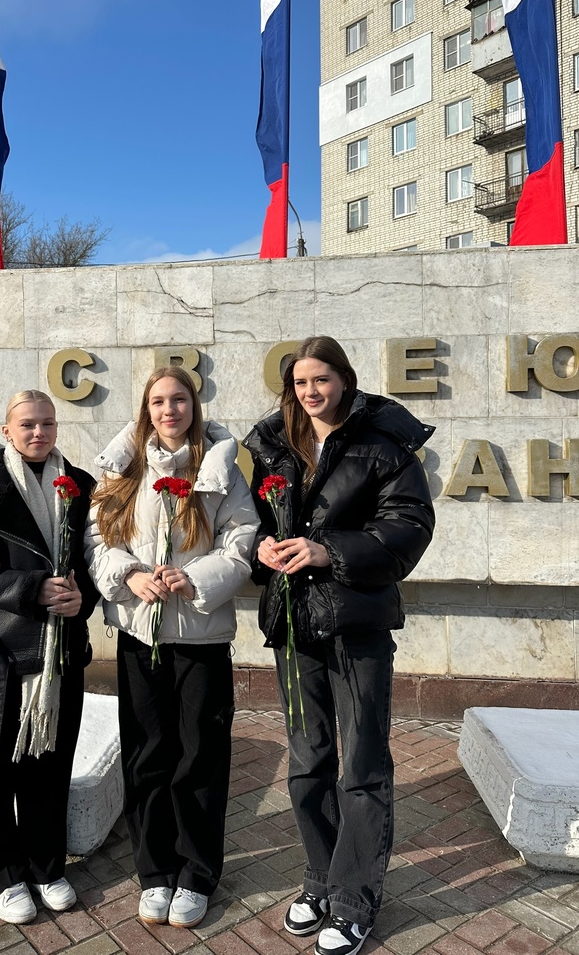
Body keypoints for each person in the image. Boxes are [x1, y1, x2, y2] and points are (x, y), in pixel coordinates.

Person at [243, 337, 435, 955]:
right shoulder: (275, 445)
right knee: (307, 764)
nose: (311, 392)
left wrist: (330, 550)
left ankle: (355, 900)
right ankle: (320, 878)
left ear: (345, 380)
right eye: (301, 383)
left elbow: (409, 527)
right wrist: (261, 550)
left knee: (363, 766)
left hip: (357, 626)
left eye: (321, 379)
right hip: (293, 625)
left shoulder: (383, 446)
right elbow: (251, 523)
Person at [86, 367, 258, 929]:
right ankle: (154, 870)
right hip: (141, 633)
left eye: (179, 399)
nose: (169, 410)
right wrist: (129, 575)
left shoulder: (220, 470)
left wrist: (197, 578)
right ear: (145, 409)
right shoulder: (123, 468)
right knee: (147, 755)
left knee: (200, 756)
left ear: (194, 404)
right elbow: (97, 537)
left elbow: (241, 541)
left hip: (200, 638)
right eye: (158, 401)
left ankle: (196, 872)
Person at [0, 390, 99, 924]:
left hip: (60, 648)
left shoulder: (80, 486)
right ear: (7, 430)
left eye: (48, 424)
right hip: (5, 649)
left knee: (50, 764)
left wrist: (87, 596)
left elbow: (92, 558)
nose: (39, 432)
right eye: (29, 425)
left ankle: (44, 864)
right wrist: (33, 588)